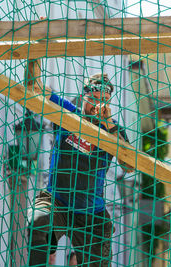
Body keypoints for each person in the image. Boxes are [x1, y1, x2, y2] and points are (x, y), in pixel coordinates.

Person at [26, 67, 134, 266]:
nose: (96, 104)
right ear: (84, 96)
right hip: (56, 201)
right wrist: (34, 55)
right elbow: (36, 87)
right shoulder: (68, 114)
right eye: (92, 98)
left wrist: (108, 122)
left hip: (92, 214)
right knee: (36, 223)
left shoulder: (112, 129)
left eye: (103, 100)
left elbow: (129, 166)